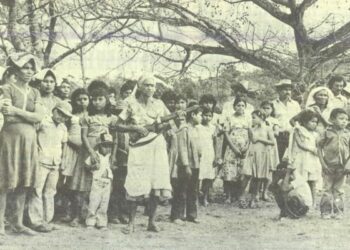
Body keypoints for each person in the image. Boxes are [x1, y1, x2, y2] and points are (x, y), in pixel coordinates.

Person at [117, 76, 173, 234]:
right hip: (139, 148)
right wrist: (134, 129)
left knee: (156, 183)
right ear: (140, 87)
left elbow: (168, 123)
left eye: (153, 86)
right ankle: (131, 223)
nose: (150, 88)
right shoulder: (130, 103)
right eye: (147, 85)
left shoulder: (160, 104)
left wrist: (165, 124)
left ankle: (152, 221)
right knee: (136, 183)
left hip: (157, 145)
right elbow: (117, 125)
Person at [0, 52, 44, 236]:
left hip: (30, 141)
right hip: (11, 139)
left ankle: (18, 223)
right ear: (16, 69)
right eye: (25, 67)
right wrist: (27, 116)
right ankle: (1, 226)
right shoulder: (6, 88)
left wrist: (18, 111)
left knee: (24, 181)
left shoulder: (35, 92)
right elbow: (7, 114)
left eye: (31, 68)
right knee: (5, 182)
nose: (28, 71)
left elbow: (39, 116)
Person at [66, 87, 117, 227]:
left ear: (106, 101)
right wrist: (91, 152)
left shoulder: (111, 119)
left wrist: (112, 156)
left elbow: (115, 138)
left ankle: (97, 216)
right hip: (88, 151)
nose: (96, 102)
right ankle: (77, 215)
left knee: (100, 185)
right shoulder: (86, 118)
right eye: (94, 99)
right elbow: (83, 136)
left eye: (100, 99)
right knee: (82, 185)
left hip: (104, 154)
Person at [27, 101, 71, 232]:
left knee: (50, 192)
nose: (61, 117)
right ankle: (36, 221)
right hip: (41, 161)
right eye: (60, 113)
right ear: (54, 111)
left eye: (65, 116)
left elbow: (64, 145)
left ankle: (47, 220)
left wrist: (63, 161)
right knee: (36, 191)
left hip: (55, 163)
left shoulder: (63, 128)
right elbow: (32, 136)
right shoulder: (44, 122)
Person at [59, 88, 89, 223]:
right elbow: (64, 130)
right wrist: (71, 141)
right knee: (70, 182)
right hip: (71, 150)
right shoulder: (71, 115)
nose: (82, 102)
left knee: (82, 183)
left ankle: (82, 213)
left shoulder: (91, 115)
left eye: (85, 99)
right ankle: (69, 211)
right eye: (79, 99)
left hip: (85, 151)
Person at [170, 102, 202, 224]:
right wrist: (186, 165)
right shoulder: (184, 129)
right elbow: (182, 148)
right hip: (186, 164)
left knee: (193, 190)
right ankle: (177, 215)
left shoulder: (196, 129)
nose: (201, 117)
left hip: (195, 163)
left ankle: (191, 214)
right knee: (181, 190)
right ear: (193, 115)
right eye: (199, 114)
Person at [318, 108, 350, 219]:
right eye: (341, 118)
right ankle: (325, 212)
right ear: (332, 119)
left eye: (346, 119)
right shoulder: (326, 132)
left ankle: (338, 212)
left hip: (342, 167)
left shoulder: (348, 133)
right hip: (329, 166)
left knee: (339, 190)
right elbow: (319, 148)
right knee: (327, 190)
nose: (344, 121)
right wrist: (323, 164)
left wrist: (348, 164)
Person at [288, 110, 324, 208]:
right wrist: (311, 149)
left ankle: (313, 202)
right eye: (312, 121)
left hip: (312, 159)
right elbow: (300, 144)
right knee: (301, 180)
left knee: (312, 181)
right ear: (304, 121)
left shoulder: (315, 134)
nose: (314, 124)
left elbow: (319, 145)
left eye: (316, 122)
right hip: (302, 158)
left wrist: (318, 150)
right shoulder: (298, 130)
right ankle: (301, 201)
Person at [243, 110, 278, 208]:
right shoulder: (253, 129)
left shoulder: (267, 128)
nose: (252, 120)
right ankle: (241, 196)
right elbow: (252, 140)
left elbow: (272, 142)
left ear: (261, 117)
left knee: (258, 178)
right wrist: (250, 130)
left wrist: (259, 139)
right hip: (253, 153)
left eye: (254, 117)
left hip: (262, 154)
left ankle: (253, 199)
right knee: (248, 175)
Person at [221, 98, 250, 205]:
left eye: (243, 105)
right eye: (238, 105)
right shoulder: (229, 118)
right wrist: (233, 147)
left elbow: (250, 134)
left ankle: (239, 195)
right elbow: (226, 134)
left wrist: (247, 147)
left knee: (242, 171)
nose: (240, 107)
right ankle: (228, 195)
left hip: (244, 148)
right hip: (232, 148)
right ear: (234, 107)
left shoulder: (248, 118)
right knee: (229, 171)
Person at [85, 133, 114, 230]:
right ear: (100, 146)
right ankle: (90, 222)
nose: (107, 148)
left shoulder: (110, 157)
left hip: (107, 182)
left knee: (104, 203)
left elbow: (111, 169)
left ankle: (101, 223)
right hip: (97, 182)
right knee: (94, 202)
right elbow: (86, 166)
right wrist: (93, 167)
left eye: (109, 146)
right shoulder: (95, 155)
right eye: (105, 146)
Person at [109, 100, 129, 224]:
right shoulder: (114, 125)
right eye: (118, 112)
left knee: (126, 188)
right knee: (117, 187)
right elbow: (113, 142)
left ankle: (124, 213)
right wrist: (114, 156)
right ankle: (113, 214)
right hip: (119, 158)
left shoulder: (131, 125)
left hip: (129, 159)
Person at [272, 79, 301, 163]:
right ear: (279, 91)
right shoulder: (273, 104)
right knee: (277, 160)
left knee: (291, 161)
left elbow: (299, 120)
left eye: (289, 89)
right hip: (278, 136)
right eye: (284, 89)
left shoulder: (295, 104)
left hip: (292, 136)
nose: (287, 92)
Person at [198, 107, 219, 206]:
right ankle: (196, 197)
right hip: (200, 153)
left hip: (209, 153)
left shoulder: (213, 128)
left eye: (210, 116)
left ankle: (205, 198)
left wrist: (216, 156)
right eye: (205, 115)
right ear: (201, 116)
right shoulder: (198, 127)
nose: (207, 118)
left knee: (208, 177)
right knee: (198, 176)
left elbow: (215, 142)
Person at [260, 101, 280, 200]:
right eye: (263, 108)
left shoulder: (273, 120)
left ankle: (265, 192)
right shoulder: (258, 119)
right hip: (260, 145)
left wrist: (269, 130)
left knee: (269, 170)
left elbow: (276, 133)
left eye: (268, 108)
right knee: (259, 168)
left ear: (272, 110)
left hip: (270, 146)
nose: (265, 110)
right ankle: (257, 192)